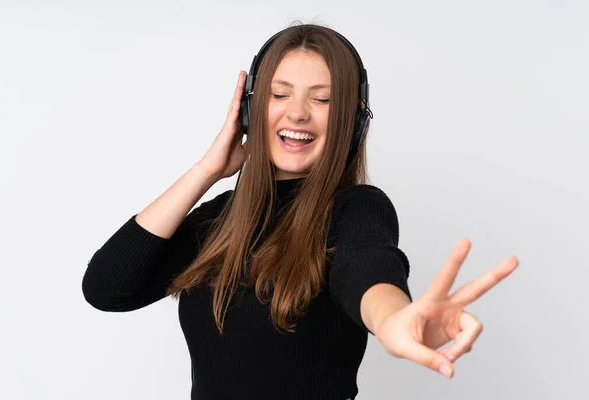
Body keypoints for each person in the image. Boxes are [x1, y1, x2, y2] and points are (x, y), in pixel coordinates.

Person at [82, 23, 519, 400]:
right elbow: (107, 289)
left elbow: (368, 265)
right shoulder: (221, 220)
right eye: (278, 94)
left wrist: (392, 320)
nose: (297, 112)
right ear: (252, 110)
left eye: (323, 99)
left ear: (353, 121)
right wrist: (207, 169)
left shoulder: (356, 208)